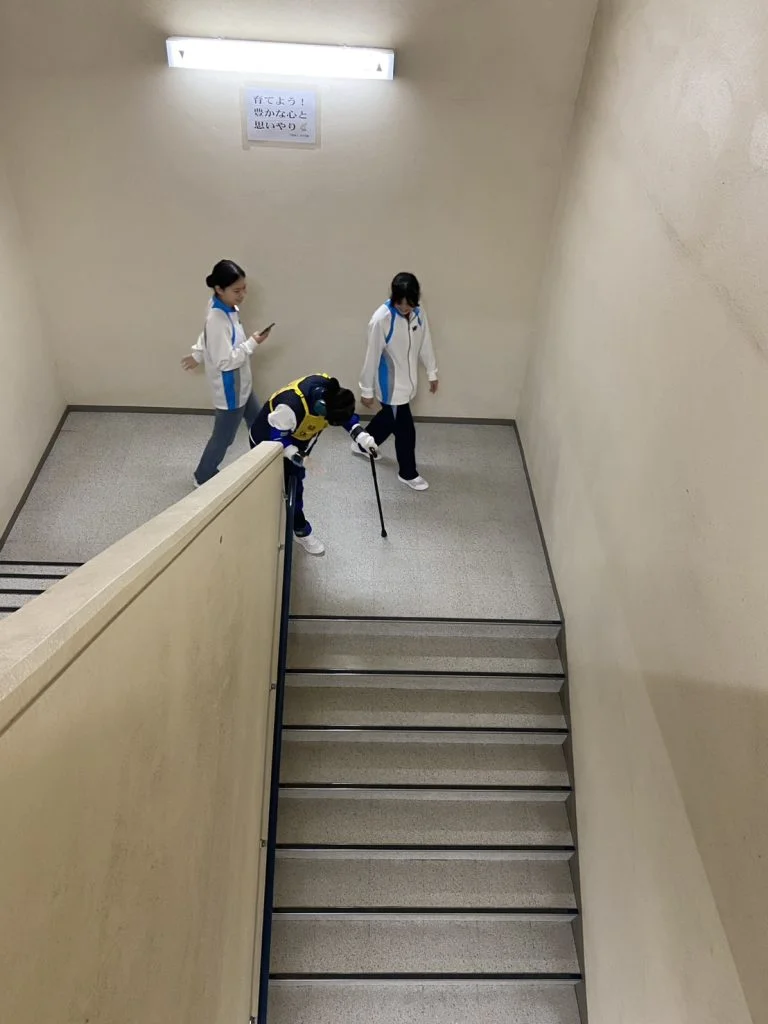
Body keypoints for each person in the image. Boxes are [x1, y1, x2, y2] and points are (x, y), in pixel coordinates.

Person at [249, 373, 378, 555]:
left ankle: (298, 528)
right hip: (268, 440)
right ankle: (282, 526)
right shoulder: (290, 407)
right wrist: (303, 459)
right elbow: (279, 441)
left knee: (295, 486)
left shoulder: (331, 394)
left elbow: (344, 415)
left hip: (298, 439)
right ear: (321, 408)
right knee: (273, 485)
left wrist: (362, 437)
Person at [182, 259, 273, 486]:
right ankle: (203, 476)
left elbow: (207, 337)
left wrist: (197, 354)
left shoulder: (226, 306)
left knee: (259, 423)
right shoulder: (217, 318)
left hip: (243, 384)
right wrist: (253, 343)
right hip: (231, 391)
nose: (242, 295)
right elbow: (225, 362)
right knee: (223, 438)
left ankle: (267, 460)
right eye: (236, 291)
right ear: (219, 289)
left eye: (244, 289)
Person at [357, 271, 438, 491]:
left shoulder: (418, 313)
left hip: (408, 384)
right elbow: (372, 356)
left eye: (409, 303)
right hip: (390, 387)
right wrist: (366, 390)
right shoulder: (381, 319)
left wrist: (432, 372)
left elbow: (425, 342)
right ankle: (407, 473)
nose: (404, 308)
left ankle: (362, 443)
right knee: (405, 430)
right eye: (399, 303)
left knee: (388, 419)